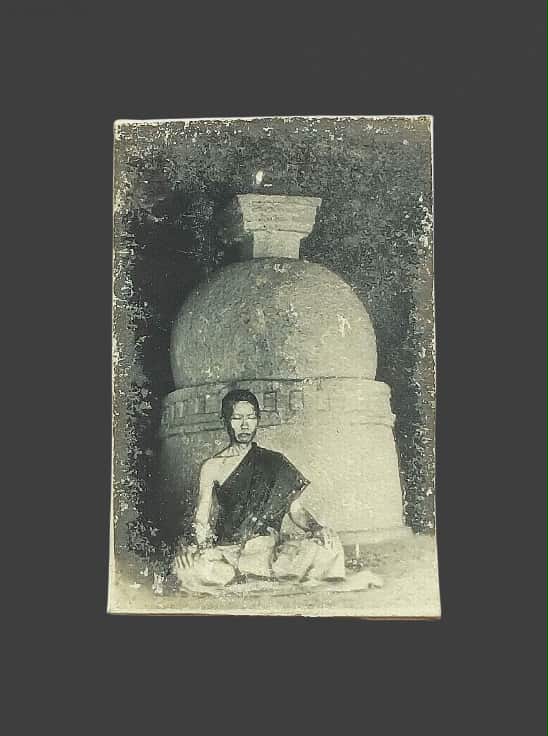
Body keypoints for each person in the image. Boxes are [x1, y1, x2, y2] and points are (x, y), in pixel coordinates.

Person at [173, 388, 348, 592]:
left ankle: (250, 576)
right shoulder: (212, 466)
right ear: (225, 421)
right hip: (230, 551)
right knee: (187, 568)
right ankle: (252, 575)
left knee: (328, 544)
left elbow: (296, 510)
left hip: (269, 551)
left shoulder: (275, 462)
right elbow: (201, 519)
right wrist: (195, 547)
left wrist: (316, 528)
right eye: (237, 418)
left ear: (258, 420)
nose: (245, 425)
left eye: (251, 418)